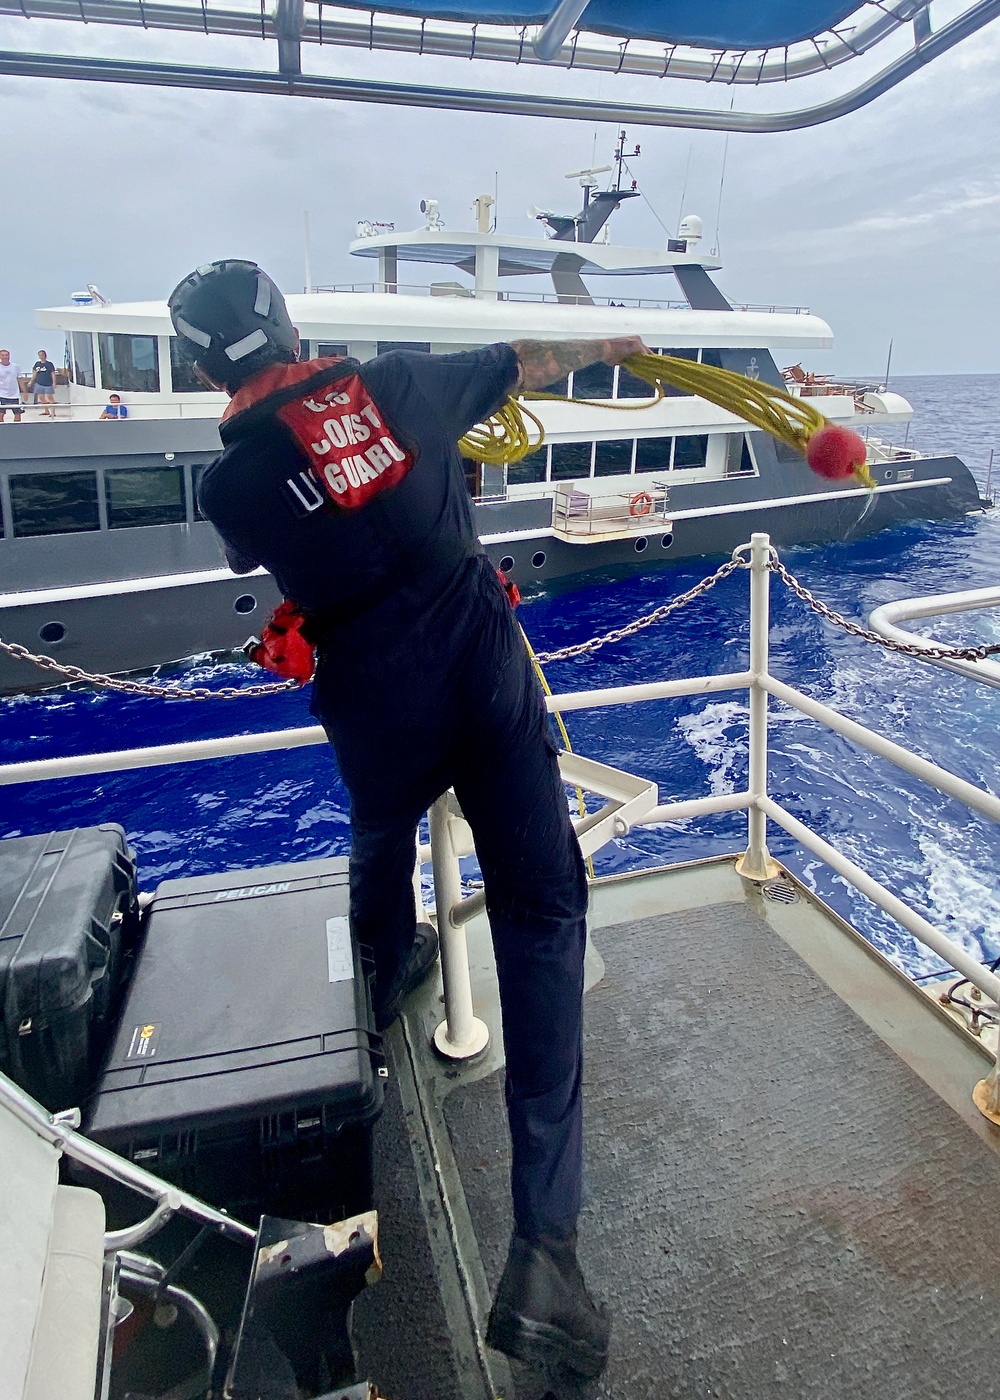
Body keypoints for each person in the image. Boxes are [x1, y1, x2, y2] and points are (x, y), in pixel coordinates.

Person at [169, 258, 647, 1382]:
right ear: (289, 321)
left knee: (379, 827)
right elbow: (527, 361)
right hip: (480, 672)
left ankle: (382, 972)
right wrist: (611, 346)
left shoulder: (231, 488)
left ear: (200, 366)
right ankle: (545, 1255)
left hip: (376, 697)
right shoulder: (396, 384)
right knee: (541, 910)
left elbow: (273, 534)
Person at [30, 350, 56, 417]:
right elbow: (34, 373)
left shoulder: (49, 364)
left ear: (45, 355)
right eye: (40, 355)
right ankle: (46, 411)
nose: (41, 356)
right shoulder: (37, 364)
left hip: (48, 383)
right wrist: (31, 381)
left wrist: (54, 382)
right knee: (41, 397)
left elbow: (53, 373)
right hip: (39, 383)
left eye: (42, 355)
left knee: (50, 397)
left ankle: (53, 412)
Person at [0, 349, 23, 422]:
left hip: (14, 394)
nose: (5, 357)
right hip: (2, 394)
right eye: (3, 355)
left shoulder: (16, 366)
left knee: (17, 413)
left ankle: (16, 430)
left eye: (6, 355)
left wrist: (24, 391)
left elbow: (20, 379)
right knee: (1, 414)